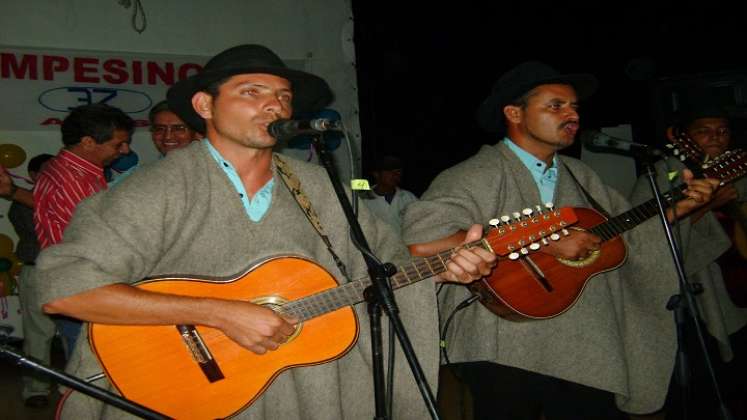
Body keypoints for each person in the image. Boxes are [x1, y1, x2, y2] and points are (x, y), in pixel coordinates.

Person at [31, 44, 496, 419]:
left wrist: (445, 268)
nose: (275, 104)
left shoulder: (315, 183)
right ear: (204, 105)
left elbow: (382, 263)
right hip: (188, 394)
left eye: (283, 96)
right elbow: (64, 291)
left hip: (305, 388)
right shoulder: (156, 190)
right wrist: (221, 313)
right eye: (252, 92)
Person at [402, 61, 720, 419]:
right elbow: (424, 241)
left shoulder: (582, 175)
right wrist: (549, 242)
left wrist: (678, 208)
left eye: (574, 107)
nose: (572, 115)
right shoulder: (475, 174)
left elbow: (625, 236)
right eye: (556, 106)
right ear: (514, 113)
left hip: (587, 344)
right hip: (506, 346)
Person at [628, 97, 747, 418]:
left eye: (722, 131)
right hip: (697, 291)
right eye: (704, 131)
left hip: (741, 286)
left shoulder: (738, 168)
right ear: (679, 137)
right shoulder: (662, 174)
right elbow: (646, 238)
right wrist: (708, 204)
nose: (715, 137)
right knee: (707, 379)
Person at [33, 103, 133, 356]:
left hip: (82, 284)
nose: (125, 150)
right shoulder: (72, 180)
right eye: (117, 144)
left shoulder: (75, 171)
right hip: (83, 286)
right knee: (90, 369)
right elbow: (101, 241)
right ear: (88, 142)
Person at [7, 153, 55, 408]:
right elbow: (42, 232)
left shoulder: (66, 199)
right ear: (34, 176)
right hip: (37, 271)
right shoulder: (23, 202)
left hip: (68, 272)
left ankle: (78, 388)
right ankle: (36, 390)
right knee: (38, 334)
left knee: (77, 336)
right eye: (47, 172)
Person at [362, 155, 418, 233]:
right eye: (389, 172)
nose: (395, 175)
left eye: (398, 171)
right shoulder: (363, 200)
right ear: (376, 174)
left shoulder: (408, 197)